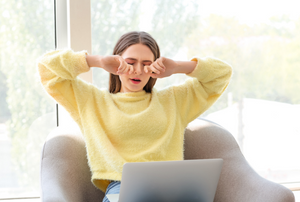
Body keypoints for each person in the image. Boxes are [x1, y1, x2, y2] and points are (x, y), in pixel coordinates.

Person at [37, 31, 232, 202]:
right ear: (117, 62)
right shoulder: (91, 101)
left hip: (171, 191)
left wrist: (179, 67)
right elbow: (47, 69)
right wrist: (96, 61)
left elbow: (222, 74)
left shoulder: (173, 101)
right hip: (120, 190)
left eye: (146, 64)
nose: (138, 70)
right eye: (130, 62)